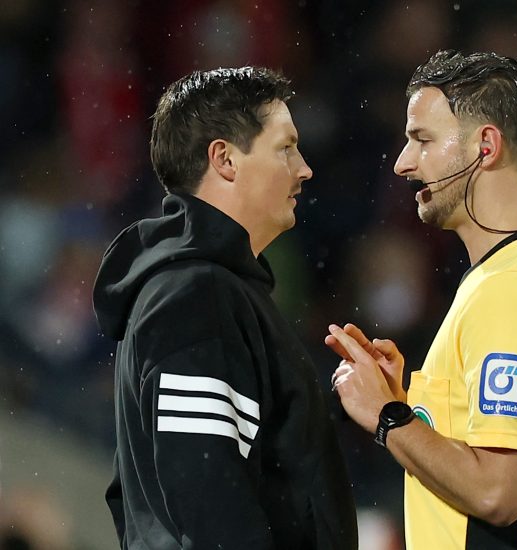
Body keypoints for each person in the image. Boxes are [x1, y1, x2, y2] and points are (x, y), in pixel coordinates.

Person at [324, 49, 517, 550]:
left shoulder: (516, 287)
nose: (404, 163)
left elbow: (498, 492)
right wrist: (414, 408)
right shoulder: (515, 272)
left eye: (422, 140)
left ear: (485, 147)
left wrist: (389, 418)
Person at [92, 67, 358, 549]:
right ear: (225, 160)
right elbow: (206, 491)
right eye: (285, 147)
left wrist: (341, 410)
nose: (304, 168)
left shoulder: (207, 290)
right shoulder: (198, 296)